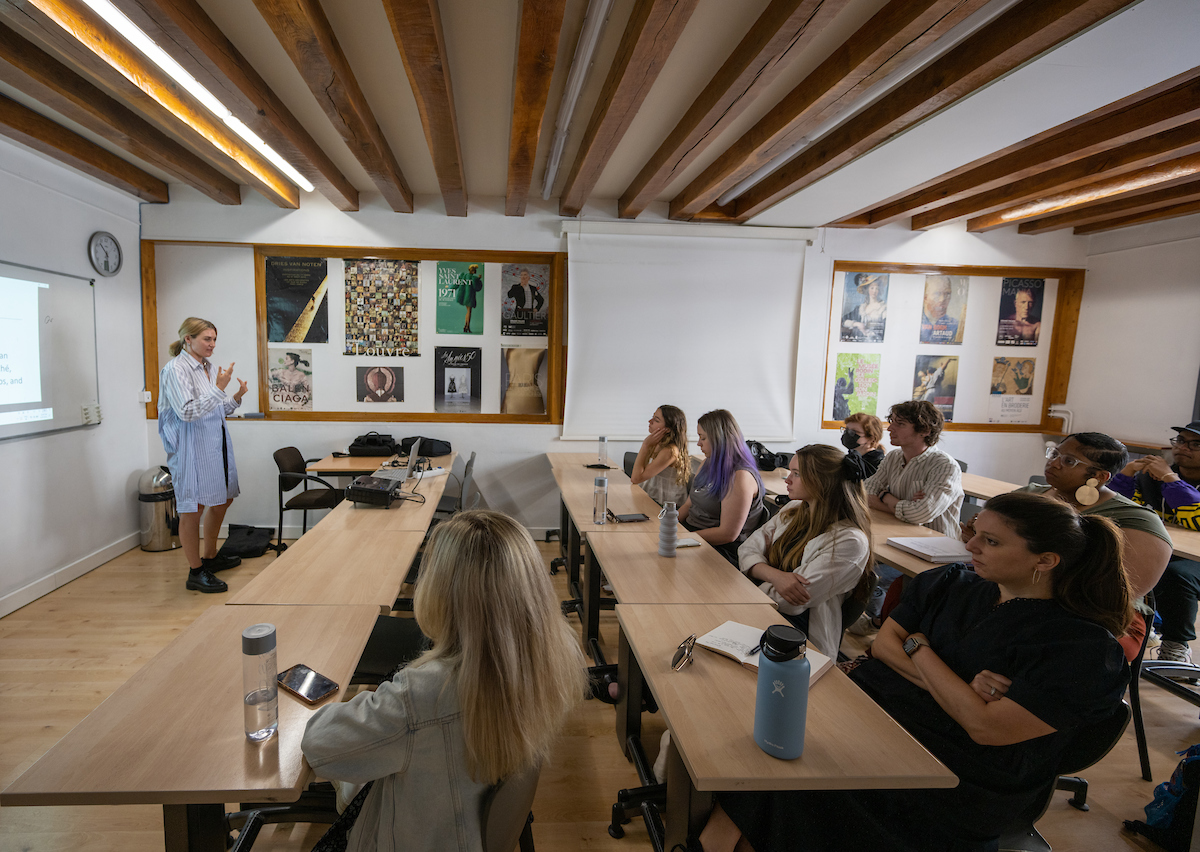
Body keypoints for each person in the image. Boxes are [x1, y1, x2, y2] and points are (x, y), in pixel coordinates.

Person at [700, 491, 1131, 852]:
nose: (972, 546)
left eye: (992, 542)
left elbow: (983, 728)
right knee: (756, 755)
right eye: (974, 532)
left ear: (1047, 560)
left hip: (953, 777)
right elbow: (884, 646)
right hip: (880, 715)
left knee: (781, 782)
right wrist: (960, 688)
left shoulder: (1083, 648)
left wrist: (919, 648)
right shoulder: (952, 583)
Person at [301, 510, 587, 852]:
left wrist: (352, 704)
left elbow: (319, 743)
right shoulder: (551, 657)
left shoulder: (422, 696)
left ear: (441, 592)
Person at [1014, 433, 1172, 662]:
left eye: (1068, 461)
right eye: (1055, 454)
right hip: (1017, 597)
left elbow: (1120, 592)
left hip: (1101, 618)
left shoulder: (1134, 519)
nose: (1053, 462)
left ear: (1099, 476)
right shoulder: (1027, 495)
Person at [738, 445, 873, 657]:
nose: (787, 480)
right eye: (790, 472)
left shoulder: (851, 541)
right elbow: (747, 549)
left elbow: (791, 602)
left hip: (799, 631)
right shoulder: (793, 509)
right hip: (760, 605)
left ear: (823, 482)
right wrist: (777, 576)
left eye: (797, 474)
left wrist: (745, 588)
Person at [851, 401, 963, 634]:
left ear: (925, 431)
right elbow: (865, 493)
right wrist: (895, 500)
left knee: (875, 572)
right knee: (853, 559)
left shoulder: (944, 466)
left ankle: (886, 625)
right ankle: (879, 619)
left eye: (899, 424)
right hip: (899, 538)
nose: (890, 428)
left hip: (936, 553)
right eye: (892, 422)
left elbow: (919, 513)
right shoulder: (893, 457)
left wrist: (886, 497)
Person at [158, 317, 247, 594]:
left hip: (214, 443)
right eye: (207, 339)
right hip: (190, 448)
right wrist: (219, 388)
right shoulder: (175, 369)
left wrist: (235, 397)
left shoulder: (207, 368)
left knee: (223, 498)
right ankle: (196, 572)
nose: (212, 344)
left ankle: (210, 556)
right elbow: (187, 412)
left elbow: (214, 410)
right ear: (188, 339)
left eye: (214, 339)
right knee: (192, 507)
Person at [1107, 421, 1200, 664]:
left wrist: (1170, 479)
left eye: (1195, 444)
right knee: (1117, 556)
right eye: (1180, 441)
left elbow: (1197, 520)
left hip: (1194, 560)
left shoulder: (1165, 476)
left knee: (1176, 574)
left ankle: (1176, 644)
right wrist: (1126, 475)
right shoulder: (1152, 478)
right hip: (1170, 549)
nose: (1183, 448)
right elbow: (1124, 509)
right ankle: (1136, 626)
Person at [678, 409, 766, 562]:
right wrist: (666, 525)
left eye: (703, 438)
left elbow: (727, 534)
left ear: (719, 439)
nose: (698, 443)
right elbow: (688, 505)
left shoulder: (740, 476)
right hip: (692, 535)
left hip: (720, 548)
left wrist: (683, 538)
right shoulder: (707, 462)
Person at [630, 405, 690, 507]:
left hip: (665, 506)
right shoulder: (658, 443)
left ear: (667, 429)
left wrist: (645, 445)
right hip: (652, 498)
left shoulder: (670, 451)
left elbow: (636, 478)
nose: (650, 421)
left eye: (656, 420)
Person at [840, 273, 887, 342]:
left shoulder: (883, 308)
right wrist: (856, 324)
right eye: (872, 288)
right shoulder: (860, 308)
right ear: (867, 290)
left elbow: (885, 329)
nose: (874, 291)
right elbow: (843, 320)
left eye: (877, 288)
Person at [841, 412, 885, 476]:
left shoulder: (878, 466)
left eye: (853, 432)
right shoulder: (851, 459)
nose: (847, 434)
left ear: (871, 438)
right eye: (846, 430)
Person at [920, 275, 960, 344]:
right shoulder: (914, 322)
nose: (942, 300)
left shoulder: (955, 326)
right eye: (937, 294)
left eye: (947, 294)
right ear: (925, 297)